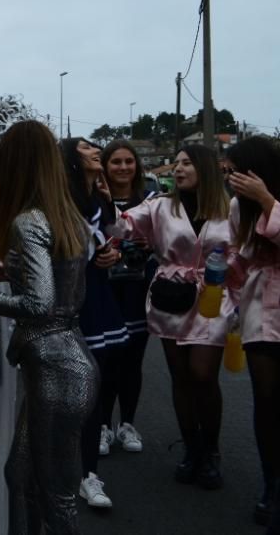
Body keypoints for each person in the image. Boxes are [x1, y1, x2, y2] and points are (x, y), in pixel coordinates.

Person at [0, 120, 98, 535]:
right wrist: (8, 269)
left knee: (56, 498)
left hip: (56, 367)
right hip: (65, 360)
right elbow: (64, 277)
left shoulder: (28, 221)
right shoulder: (65, 213)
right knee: (21, 477)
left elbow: (40, 303)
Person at [116, 143, 233, 490]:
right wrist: (106, 202)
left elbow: (242, 252)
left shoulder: (230, 209)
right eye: (176, 163)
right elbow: (121, 229)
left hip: (214, 298)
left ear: (206, 169)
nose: (178, 169)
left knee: (203, 374)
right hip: (171, 296)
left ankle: (211, 450)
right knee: (180, 376)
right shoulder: (159, 206)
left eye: (186, 164)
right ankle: (192, 449)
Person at [59, 138, 125, 510]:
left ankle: (88, 474)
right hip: (67, 304)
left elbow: (107, 242)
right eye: (85, 147)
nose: (94, 149)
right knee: (67, 394)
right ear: (70, 158)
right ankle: (59, 470)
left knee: (95, 388)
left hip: (97, 299)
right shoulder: (59, 204)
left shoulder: (99, 200)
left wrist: (111, 253)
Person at [224, 136, 280, 529]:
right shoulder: (234, 207)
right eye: (228, 173)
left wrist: (267, 202)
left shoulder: (265, 200)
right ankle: (272, 483)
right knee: (267, 398)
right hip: (261, 307)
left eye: (236, 172)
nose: (231, 181)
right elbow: (238, 257)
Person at [101, 140, 153, 455]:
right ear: (105, 167)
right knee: (106, 359)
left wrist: (149, 245)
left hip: (139, 287)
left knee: (133, 360)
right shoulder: (95, 201)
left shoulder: (152, 200)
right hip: (105, 288)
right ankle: (104, 425)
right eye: (116, 162)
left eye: (128, 161)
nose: (123, 167)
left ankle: (128, 424)